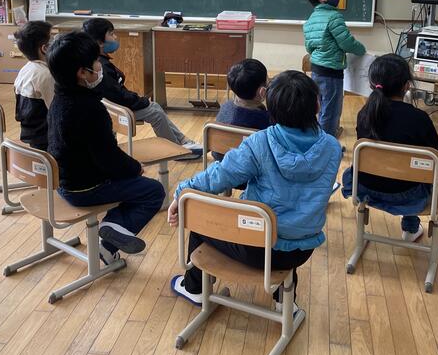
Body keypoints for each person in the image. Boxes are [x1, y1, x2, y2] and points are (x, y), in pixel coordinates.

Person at [168, 71, 342, 311]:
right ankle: (285, 303)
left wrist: (182, 191)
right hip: (302, 249)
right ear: (317, 105)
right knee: (291, 220)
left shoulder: (261, 142)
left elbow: (220, 175)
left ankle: (194, 289)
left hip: (255, 245)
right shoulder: (332, 147)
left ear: (271, 108)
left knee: (201, 221)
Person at [46, 31, 165, 260]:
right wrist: (135, 168)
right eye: (95, 62)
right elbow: (108, 157)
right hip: (85, 188)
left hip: (63, 182)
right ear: (82, 72)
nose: (99, 66)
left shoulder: (59, 99)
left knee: (132, 184)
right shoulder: (90, 109)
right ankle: (109, 234)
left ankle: (107, 245)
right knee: (153, 191)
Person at [341, 55, 438, 241]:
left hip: (365, 188)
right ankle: (410, 229)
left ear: (371, 85)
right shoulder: (419, 118)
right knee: (421, 172)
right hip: (408, 197)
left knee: (378, 167)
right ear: (407, 86)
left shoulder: (365, 114)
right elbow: (435, 161)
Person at [82, 18, 202, 157]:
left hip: (116, 105)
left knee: (154, 107)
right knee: (155, 112)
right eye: (111, 34)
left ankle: (183, 141)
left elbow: (118, 93)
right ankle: (177, 151)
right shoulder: (100, 66)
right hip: (117, 109)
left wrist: (139, 100)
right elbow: (118, 96)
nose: (115, 37)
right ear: (99, 42)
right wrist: (141, 101)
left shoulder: (99, 62)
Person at [302, 0, 365, 137]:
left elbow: (309, 47)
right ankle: (327, 141)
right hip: (331, 72)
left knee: (321, 105)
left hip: (316, 70)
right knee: (331, 109)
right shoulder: (334, 16)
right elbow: (347, 43)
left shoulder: (311, 19)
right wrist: (361, 50)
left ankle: (322, 134)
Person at [213, 58, 271, 162]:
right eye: (267, 80)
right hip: (252, 167)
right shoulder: (267, 119)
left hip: (223, 162)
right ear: (262, 91)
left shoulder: (225, 107)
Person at [13, 21, 54, 150]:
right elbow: (56, 111)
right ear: (45, 48)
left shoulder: (25, 69)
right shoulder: (46, 75)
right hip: (46, 140)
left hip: (30, 134)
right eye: (53, 39)